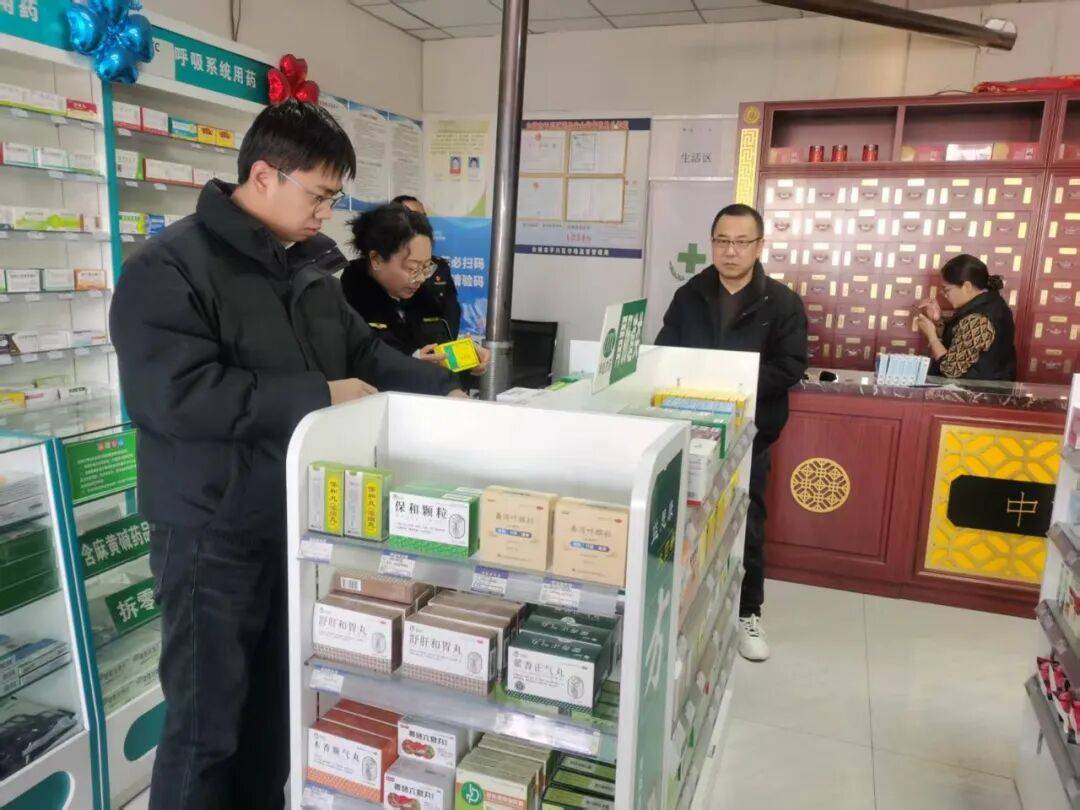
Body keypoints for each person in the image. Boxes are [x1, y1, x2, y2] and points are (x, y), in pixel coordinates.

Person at [109, 100, 463, 810]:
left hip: (293, 524)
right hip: (210, 531)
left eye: (333, 200)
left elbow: (364, 354)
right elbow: (173, 397)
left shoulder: (304, 269)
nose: (326, 214)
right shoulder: (169, 267)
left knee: (274, 717)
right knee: (206, 727)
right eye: (319, 196)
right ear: (265, 175)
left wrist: (448, 392)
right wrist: (317, 395)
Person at [656, 203, 808, 663]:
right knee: (690, 523)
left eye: (742, 242)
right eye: (722, 241)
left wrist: (733, 387)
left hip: (750, 436)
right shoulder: (689, 295)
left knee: (748, 522)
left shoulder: (782, 302)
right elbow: (664, 353)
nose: (730, 251)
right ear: (712, 243)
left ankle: (747, 612)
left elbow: (791, 366)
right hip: (692, 433)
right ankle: (688, 609)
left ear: (759, 246)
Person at [341, 203, 489, 377]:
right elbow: (354, 365)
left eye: (426, 267)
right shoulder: (346, 302)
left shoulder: (428, 298)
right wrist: (411, 363)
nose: (421, 278)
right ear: (376, 259)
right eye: (412, 268)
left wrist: (467, 360)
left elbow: (440, 354)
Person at [915, 254, 1017, 381]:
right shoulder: (991, 302)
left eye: (946, 290)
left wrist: (931, 336)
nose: (944, 295)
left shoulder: (979, 319)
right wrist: (937, 320)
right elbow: (959, 339)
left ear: (967, 287)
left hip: (978, 390)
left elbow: (950, 369)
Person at [390, 194, 461, 336]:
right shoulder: (378, 267)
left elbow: (451, 312)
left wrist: (446, 343)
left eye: (424, 217)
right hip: (392, 345)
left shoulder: (439, 267)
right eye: (414, 216)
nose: (421, 222)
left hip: (432, 343)